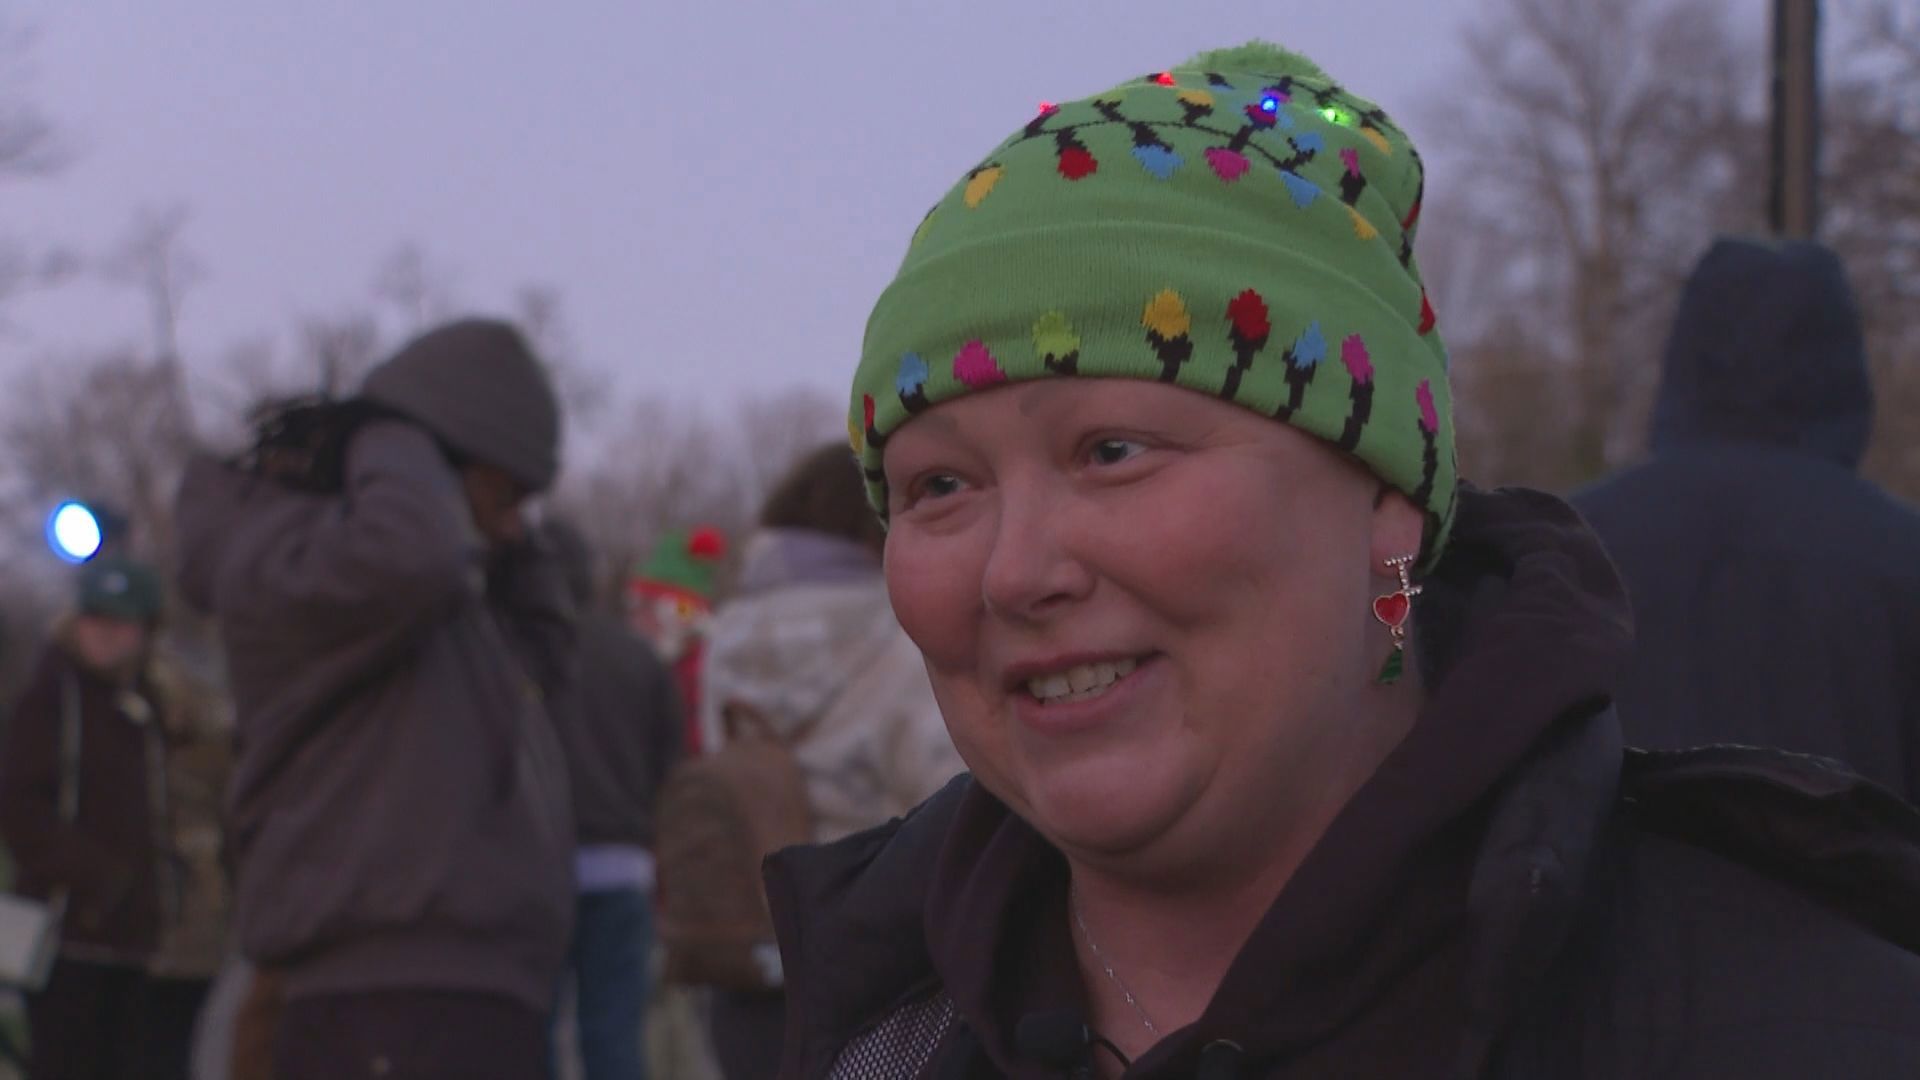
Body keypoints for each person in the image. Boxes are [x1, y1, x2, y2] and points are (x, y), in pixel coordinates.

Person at [765, 42, 1920, 1078]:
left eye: (1112, 451)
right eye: (941, 489)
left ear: (1388, 505)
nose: (1016, 574)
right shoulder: (881, 1042)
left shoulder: (1791, 1023)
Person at [174, 317, 577, 1080]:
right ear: (433, 465)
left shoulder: (449, 597)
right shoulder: (305, 563)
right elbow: (410, 556)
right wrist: (395, 431)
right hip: (383, 999)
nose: (513, 520)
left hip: (471, 991)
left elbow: (547, 667)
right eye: (506, 490)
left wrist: (520, 554)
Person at [1573, 237, 1920, 799]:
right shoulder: (1901, 557)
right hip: (1847, 883)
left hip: (1606, 884)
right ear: (1843, 364)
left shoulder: (1567, 547)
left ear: (1686, 354)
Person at [698, 442, 965, 1080]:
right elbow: (945, 787)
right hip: (877, 963)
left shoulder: (726, 634)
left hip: (748, 946)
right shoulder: (894, 627)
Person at [0, 556, 214, 1080]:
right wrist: (99, 877)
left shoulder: (161, 704)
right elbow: (18, 807)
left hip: (147, 945)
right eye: (95, 619)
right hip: (65, 938)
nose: (105, 635)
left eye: (120, 623)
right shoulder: (52, 698)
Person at [544, 519, 685, 1080]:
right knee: (615, 1037)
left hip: (534, 872)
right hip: (625, 866)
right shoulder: (637, 658)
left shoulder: (512, 652)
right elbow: (670, 766)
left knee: (533, 1036)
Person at [627, 527, 727, 755]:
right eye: (637, 606)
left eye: (647, 606)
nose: (637, 620)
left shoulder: (706, 671)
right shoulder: (651, 665)